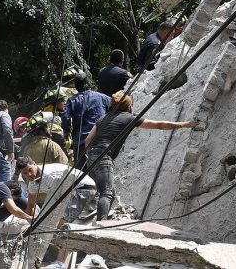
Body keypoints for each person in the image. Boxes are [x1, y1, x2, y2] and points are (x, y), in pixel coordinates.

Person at [83, 91, 197, 220]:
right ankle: (100, 225)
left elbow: (87, 140)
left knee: (108, 193)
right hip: (104, 158)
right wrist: (184, 124)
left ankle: (92, 219)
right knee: (107, 194)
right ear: (129, 106)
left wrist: (91, 155)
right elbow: (159, 125)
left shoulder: (103, 118)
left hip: (91, 157)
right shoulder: (128, 118)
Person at [15, 157, 97, 265]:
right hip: (67, 193)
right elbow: (30, 205)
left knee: (62, 223)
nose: (29, 175)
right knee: (50, 223)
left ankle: (60, 262)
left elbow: (61, 199)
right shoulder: (33, 184)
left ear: (34, 164)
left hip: (83, 188)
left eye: (30, 170)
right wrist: (32, 222)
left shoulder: (50, 175)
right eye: (25, 173)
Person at [61, 70, 111, 168]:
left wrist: (66, 131)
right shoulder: (102, 97)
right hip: (100, 140)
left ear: (75, 86)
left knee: (81, 175)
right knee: (102, 168)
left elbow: (65, 117)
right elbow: (117, 104)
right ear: (88, 83)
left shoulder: (72, 100)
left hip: (81, 143)